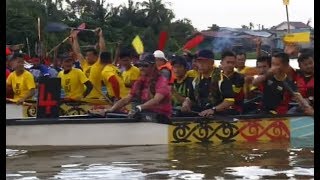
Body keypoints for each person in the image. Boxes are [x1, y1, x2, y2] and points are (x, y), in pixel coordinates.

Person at [97, 54, 172, 123]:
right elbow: (127, 98)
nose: (141, 68)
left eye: (145, 65)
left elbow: (156, 100)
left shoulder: (161, 80)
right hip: (147, 115)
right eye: (140, 65)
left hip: (162, 118)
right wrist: (111, 110)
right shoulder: (140, 80)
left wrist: (140, 107)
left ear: (153, 66)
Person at [181, 49, 235, 117]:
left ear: (212, 63)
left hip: (218, 115)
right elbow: (191, 98)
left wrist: (213, 110)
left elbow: (229, 100)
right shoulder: (195, 81)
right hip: (201, 113)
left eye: (203, 62)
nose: (200, 65)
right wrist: (186, 104)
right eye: (198, 62)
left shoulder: (222, 79)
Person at [71, 27, 106, 98]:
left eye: (89, 55)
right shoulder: (84, 65)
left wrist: (100, 36)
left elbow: (102, 50)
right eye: (86, 56)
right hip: (85, 97)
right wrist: (74, 38)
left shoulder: (99, 64)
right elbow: (77, 52)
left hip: (96, 98)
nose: (87, 57)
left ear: (96, 56)